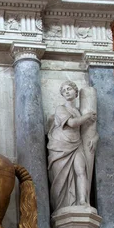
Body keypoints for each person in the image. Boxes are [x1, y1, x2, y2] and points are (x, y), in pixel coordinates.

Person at [47, 80, 97, 211]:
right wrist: (87, 116)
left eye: (69, 89)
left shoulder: (79, 111)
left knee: (81, 170)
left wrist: (95, 138)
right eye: (64, 91)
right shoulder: (61, 109)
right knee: (61, 178)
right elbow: (73, 123)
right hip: (60, 147)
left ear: (76, 92)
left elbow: (89, 131)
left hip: (77, 144)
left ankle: (82, 201)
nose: (66, 92)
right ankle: (63, 207)